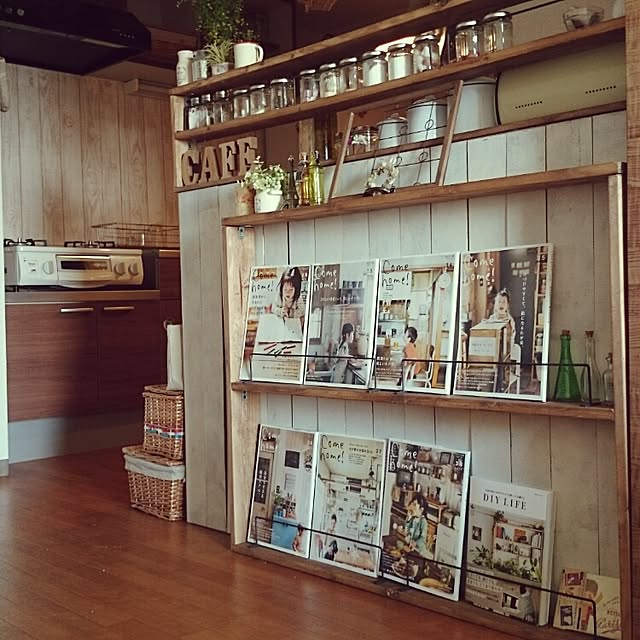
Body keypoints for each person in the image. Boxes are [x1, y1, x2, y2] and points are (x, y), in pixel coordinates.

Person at [398, 493, 430, 558]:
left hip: (419, 551)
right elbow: (406, 529)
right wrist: (408, 518)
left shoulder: (423, 521)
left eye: (415, 505)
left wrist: (415, 543)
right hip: (410, 547)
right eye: (412, 504)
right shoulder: (412, 518)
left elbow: (422, 538)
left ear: (421, 509)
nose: (412, 506)